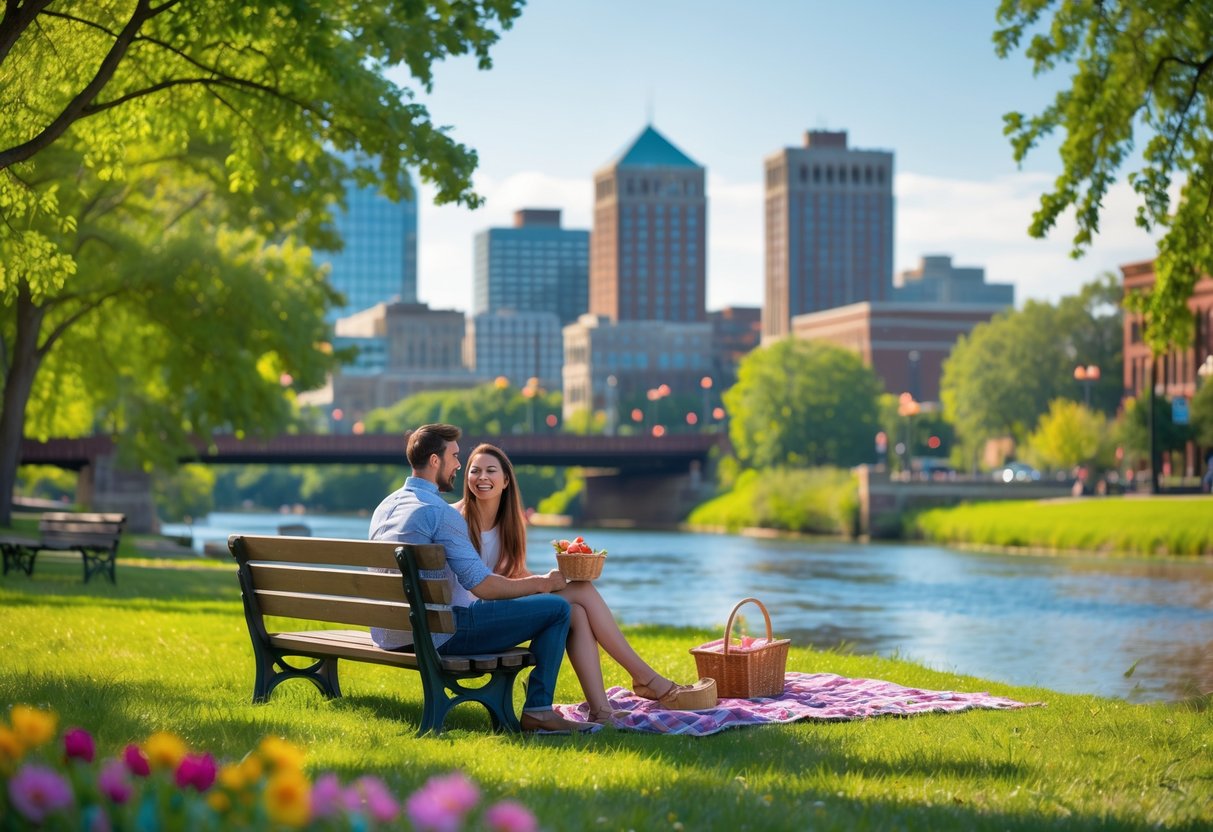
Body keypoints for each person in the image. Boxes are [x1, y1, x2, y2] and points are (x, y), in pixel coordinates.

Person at [455, 442, 715, 724]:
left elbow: (512, 574)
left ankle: (602, 710)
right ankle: (646, 678)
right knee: (581, 591)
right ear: (466, 479)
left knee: (577, 610)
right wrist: (543, 584)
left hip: (494, 612)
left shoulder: (509, 524)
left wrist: (551, 580)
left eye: (490, 471)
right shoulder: (457, 520)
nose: (482, 477)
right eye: (474, 471)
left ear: (506, 480)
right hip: (470, 620)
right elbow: (482, 586)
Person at [368, 424, 590, 734]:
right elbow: (482, 585)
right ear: (435, 461)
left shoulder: (386, 506)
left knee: (555, 608)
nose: (458, 465)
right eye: (455, 456)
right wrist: (544, 583)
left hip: (389, 633)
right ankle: (539, 711)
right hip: (437, 634)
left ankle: (542, 709)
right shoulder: (440, 513)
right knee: (557, 609)